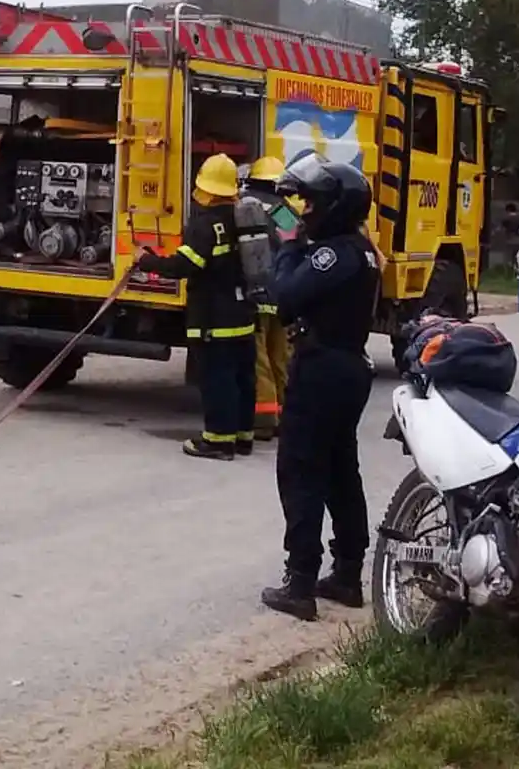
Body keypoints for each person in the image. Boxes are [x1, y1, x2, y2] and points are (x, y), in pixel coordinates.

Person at [259, 155, 380, 621]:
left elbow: (285, 298)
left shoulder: (336, 254)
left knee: (301, 471)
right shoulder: (359, 248)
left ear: (333, 207)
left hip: (323, 366)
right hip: (346, 366)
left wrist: (288, 244)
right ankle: (347, 573)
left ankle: (301, 583)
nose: (301, 211)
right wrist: (292, 224)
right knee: (339, 471)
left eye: (309, 203)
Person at [137, 153, 256, 461]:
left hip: (213, 319)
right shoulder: (242, 217)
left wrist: (147, 261)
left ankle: (217, 441)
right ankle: (243, 437)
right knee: (242, 378)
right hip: (243, 315)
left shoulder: (205, 224)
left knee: (217, 379)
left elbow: (185, 265)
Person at [239, 156, 290, 443]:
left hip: (255, 295)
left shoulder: (244, 205)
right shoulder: (284, 211)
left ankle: (263, 419)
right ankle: (285, 415)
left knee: (257, 360)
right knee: (280, 357)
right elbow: (298, 244)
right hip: (282, 295)